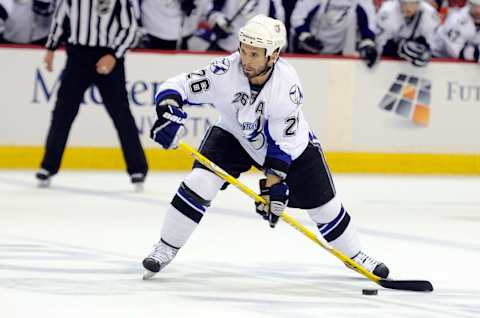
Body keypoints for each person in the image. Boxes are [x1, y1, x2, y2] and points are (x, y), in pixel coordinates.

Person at [141, 15, 389, 280]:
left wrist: (274, 187)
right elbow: (177, 86)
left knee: (325, 208)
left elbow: (282, 143)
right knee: (200, 181)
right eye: (244, 51)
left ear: (273, 56)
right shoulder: (225, 70)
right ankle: (165, 247)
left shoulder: (287, 85)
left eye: (255, 55)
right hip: (234, 135)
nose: (245, 60)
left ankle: (355, 256)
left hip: (290, 145)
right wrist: (168, 111)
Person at [36, 0, 148, 191]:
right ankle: (48, 167)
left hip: (109, 57)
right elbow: (60, 19)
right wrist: (51, 49)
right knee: (62, 113)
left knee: (121, 114)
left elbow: (130, 30)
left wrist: (114, 55)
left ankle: (138, 169)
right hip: (78, 57)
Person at [290, 0, 379, 68]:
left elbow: (369, 20)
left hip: (338, 50)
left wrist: (368, 42)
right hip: (309, 50)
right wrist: (305, 36)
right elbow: (298, 18)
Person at [375, 0, 440, 67]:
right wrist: (397, 49)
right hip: (390, 59)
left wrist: (423, 50)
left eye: (413, 3)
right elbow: (380, 45)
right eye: (404, 3)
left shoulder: (430, 14)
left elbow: (430, 44)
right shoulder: (387, 12)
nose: (408, 7)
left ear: (419, 3)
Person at [203, 0, 285, 52]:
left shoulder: (273, 2)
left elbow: (277, 22)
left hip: (257, 50)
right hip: (227, 45)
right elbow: (210, 10)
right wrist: (219, 20)